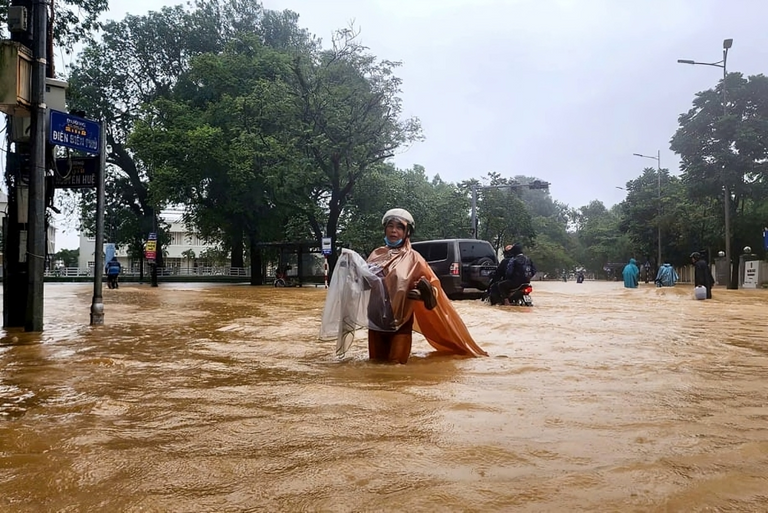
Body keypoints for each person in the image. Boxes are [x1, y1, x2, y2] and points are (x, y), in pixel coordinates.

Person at [320, 208, 487, 363]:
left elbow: (435, 288)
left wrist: (424, 293)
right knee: (376, 367)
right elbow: (365, 286)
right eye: (390, 226)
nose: (394, 231)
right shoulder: (376, 254)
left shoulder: (415, 259)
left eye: (399, 227)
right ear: (385, 229)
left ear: (407, 232)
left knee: (396, 367)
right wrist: (352, 271)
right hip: (376, 320)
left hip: (400, 321)